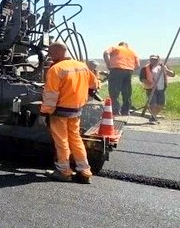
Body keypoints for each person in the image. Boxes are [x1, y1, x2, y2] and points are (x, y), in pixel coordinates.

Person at [40, 41, 99, 183]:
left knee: (61, 141)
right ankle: (84, 171)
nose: (50, 56)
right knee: (75, 139)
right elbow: (95, 84)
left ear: (58, 52)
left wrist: (45, 112)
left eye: (51, 53)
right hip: (76, 110)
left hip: (60, 111)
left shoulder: (56, 69)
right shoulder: (82, 66)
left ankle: (64, 171)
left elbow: (51, 94)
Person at [103, 41, 140, 116]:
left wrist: (109, 65)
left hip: (116, 69)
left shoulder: (115, 48)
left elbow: (106, 53)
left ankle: (116, 111)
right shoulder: (132, 51)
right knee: (127, 92)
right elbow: (138, 65)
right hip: (129, 71)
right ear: (126, 46)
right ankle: (125, 111)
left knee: (114, 91)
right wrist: (130, 68)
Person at [139, 54, 175, 124]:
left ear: (158, 60)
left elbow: (172, 74)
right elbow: (142, 78)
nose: (153, 61)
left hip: (161, 88)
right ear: (150, 60)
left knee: (161, 104)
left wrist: (166, 70)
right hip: (151, 88)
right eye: (152, 59)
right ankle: (153, 118)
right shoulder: (145, 68)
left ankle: (154, 116)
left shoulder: (163, 66)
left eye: (155, 59)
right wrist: (149, 83)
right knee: (153, 104)